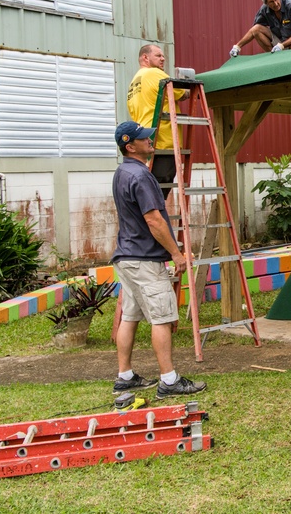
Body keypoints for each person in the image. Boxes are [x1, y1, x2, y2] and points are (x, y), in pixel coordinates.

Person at [111, 121, 206, 399]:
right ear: (130, 146)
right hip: (145, 260)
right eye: (144, 139)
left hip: (126, 257)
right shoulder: (141, 176)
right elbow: (153, 219)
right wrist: (176, 254)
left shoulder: (121, 172)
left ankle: (125, 376)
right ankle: (169, 380)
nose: (150, 141)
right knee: (162, 318)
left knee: (130, 316)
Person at [126, 44, 187, 199]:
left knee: (147, 190)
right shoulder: (155, 74)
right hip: (163, 141)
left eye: (163, 56)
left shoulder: (133, 83)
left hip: (144, 140)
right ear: (145, 57)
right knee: (157, 195)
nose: (163, 59)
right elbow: (180, 93)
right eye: (158, 56)